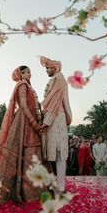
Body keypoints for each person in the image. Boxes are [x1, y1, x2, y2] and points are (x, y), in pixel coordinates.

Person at [0, 65, 44, 204]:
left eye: (30, 71)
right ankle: (26, 193)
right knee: (19, 154)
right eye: (27, 72)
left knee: (31, 152)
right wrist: (34, 124)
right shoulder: (22, 85)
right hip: (23, 121)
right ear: (21, 74)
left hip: (28, 121)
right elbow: (24, 106)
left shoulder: (28, 86)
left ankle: (32, 191)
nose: (30, 74)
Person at [40, 56, 72, 192]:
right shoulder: (57, 78)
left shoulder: (58, 78)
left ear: (55, 68)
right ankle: (58, 186)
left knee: (59, 153)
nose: (46, 70)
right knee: (56, 154)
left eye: (48, 68)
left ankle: (60, 187)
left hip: (56, 119)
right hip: (56, 118)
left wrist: (46, 121)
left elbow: (53, 102)